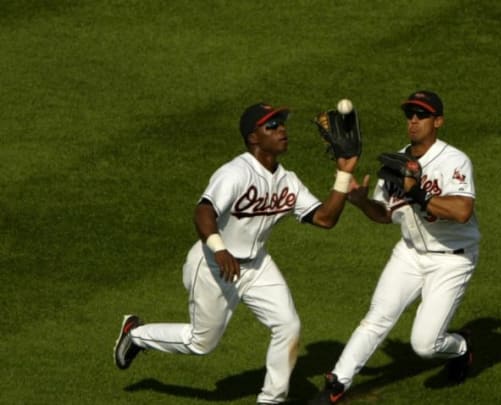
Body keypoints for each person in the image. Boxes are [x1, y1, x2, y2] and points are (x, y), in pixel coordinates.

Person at [114, 102, 360, 405]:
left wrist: (343, 174)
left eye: (282, 123)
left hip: (257, 265)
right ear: (253, 138)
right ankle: (136, 334)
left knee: (288, 325)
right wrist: (219, 250)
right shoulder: (235, 173)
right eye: (272, 126)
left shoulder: (288, 180)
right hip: (212, 265)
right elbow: (203, 211)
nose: (282, 129)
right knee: (201, 343)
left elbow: (325, 219)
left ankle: (271, 400)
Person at [310, 90, 481, 404]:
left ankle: (462, 347)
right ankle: (337, 384)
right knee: (377, 317)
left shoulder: (454, 160)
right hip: (410, 254)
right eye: (410, 115)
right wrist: (362, 203)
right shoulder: (395, 162)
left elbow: (462, 211)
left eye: (422, 115)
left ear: (438, 121)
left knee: (425, 345)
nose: (413, 121)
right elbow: (385, 214)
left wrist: (419, 195)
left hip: (451, 260)